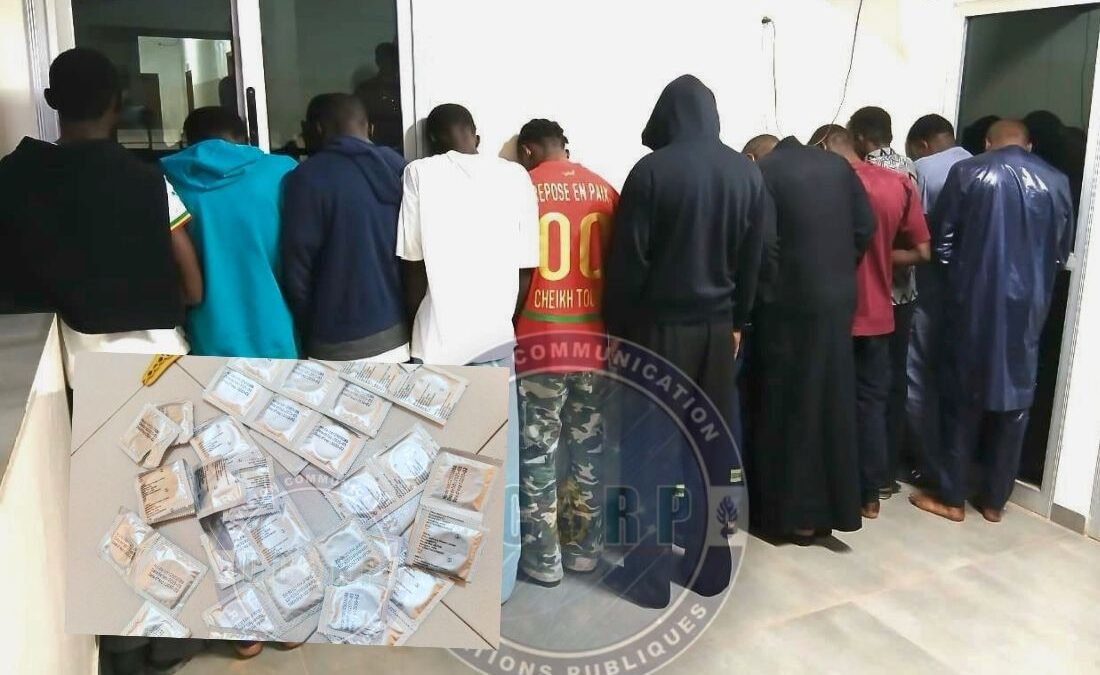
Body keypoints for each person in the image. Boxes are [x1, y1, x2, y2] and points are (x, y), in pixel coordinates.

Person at [602, 75, 773, 606]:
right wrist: (739, 322)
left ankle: (648, 579)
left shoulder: (651, 172)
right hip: (719, 335)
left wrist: (618, 333)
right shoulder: (746, 173)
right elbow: (754, 259)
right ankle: (712, 567)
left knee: (649, 451)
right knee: (714, 450)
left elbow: (629, 265)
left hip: (657, 333)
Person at [397, 103, 539, 602]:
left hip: (438, 344)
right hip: (496, 340)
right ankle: (500, 584)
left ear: (433, 140)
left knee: (442, 474)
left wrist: (420, 322)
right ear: (475, 135)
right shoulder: (516, 177)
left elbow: (412, 263)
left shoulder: (419, 173)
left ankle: (442, 582)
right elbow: (527, 268)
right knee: (504, 469)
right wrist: (504, 320)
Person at [0, 48, 201, 383]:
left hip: (56, 366)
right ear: (117, 102)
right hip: (153, 361)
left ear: (50, 99)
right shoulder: (149, 181)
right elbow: (193, 288)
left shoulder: (13, 176)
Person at [911, 120, 1073, 523]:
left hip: (973, 303)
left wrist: (964, 281)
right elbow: (1060, 252)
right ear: (1029, 145)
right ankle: (994, 502)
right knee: (1015, 404)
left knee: (961, 398)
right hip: (1029, 309)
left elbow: (942, 245)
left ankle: (951, 497)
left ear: (986, 143)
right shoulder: (1057, 182)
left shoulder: (968, 172)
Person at [751, 133, 874, 544]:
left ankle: (793, 517)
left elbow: (765, 243)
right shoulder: (838, 167)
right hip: (838, 300)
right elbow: (866, 226)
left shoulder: (766, 172)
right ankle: (831, 512)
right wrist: (837, 268)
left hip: (789, 304)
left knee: (788, 405)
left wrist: (767, 290)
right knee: (832, 401)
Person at [512, 119, 618, 587]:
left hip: (541, 344)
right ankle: (584, 553)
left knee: (538, 454)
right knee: (588, 451)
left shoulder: (521, 188)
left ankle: (543, 560)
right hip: (593, 343)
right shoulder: (605, 190)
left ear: (529, 151)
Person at [813, 124, 931, 519]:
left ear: (824, 147)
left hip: (834, 316)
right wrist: (880, 257)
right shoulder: (898, 183)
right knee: (871, 405)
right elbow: (923, 251)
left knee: (827, 404)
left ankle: (832, 493)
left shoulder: (828, 186)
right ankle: (870, 495)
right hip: (880, 314)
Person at [161, 107, 298, 358]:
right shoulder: (282, 172)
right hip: (278, 329)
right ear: (245, 138)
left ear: (186, 140)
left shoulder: (166, 179)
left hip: (207, 336)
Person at [281, 93, 409, 362]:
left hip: (334, 341)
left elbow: (297, 266)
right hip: (397, 334)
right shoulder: (400, 168)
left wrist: (309, 326)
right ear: (369, 128)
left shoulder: (307, 178)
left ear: (317, 128)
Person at [847, 105, 917, 499]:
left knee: (860, 389)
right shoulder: (910, 170)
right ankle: (886, 472)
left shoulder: (857, 175)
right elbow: (918, 235)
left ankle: (859, 475)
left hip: (866, 294)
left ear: (859, 136)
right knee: (892, 384)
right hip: (903, 294)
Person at [903, 114, 972, 490]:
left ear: (923, 145)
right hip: (969, 296)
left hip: (930, 289)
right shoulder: (976, 163)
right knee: (953, 378)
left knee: (917, 373)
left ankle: (925, 462)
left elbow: (918, 236)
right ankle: (953, 463)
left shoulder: (925, 170)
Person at [355, 42, 403, 151]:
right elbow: (358, 119)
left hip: (406, 145)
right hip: (374, 147)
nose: (390, 64)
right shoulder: (366, 89)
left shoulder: (407, 89)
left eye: (393, 60)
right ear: (378, 61)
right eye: (385, 59)